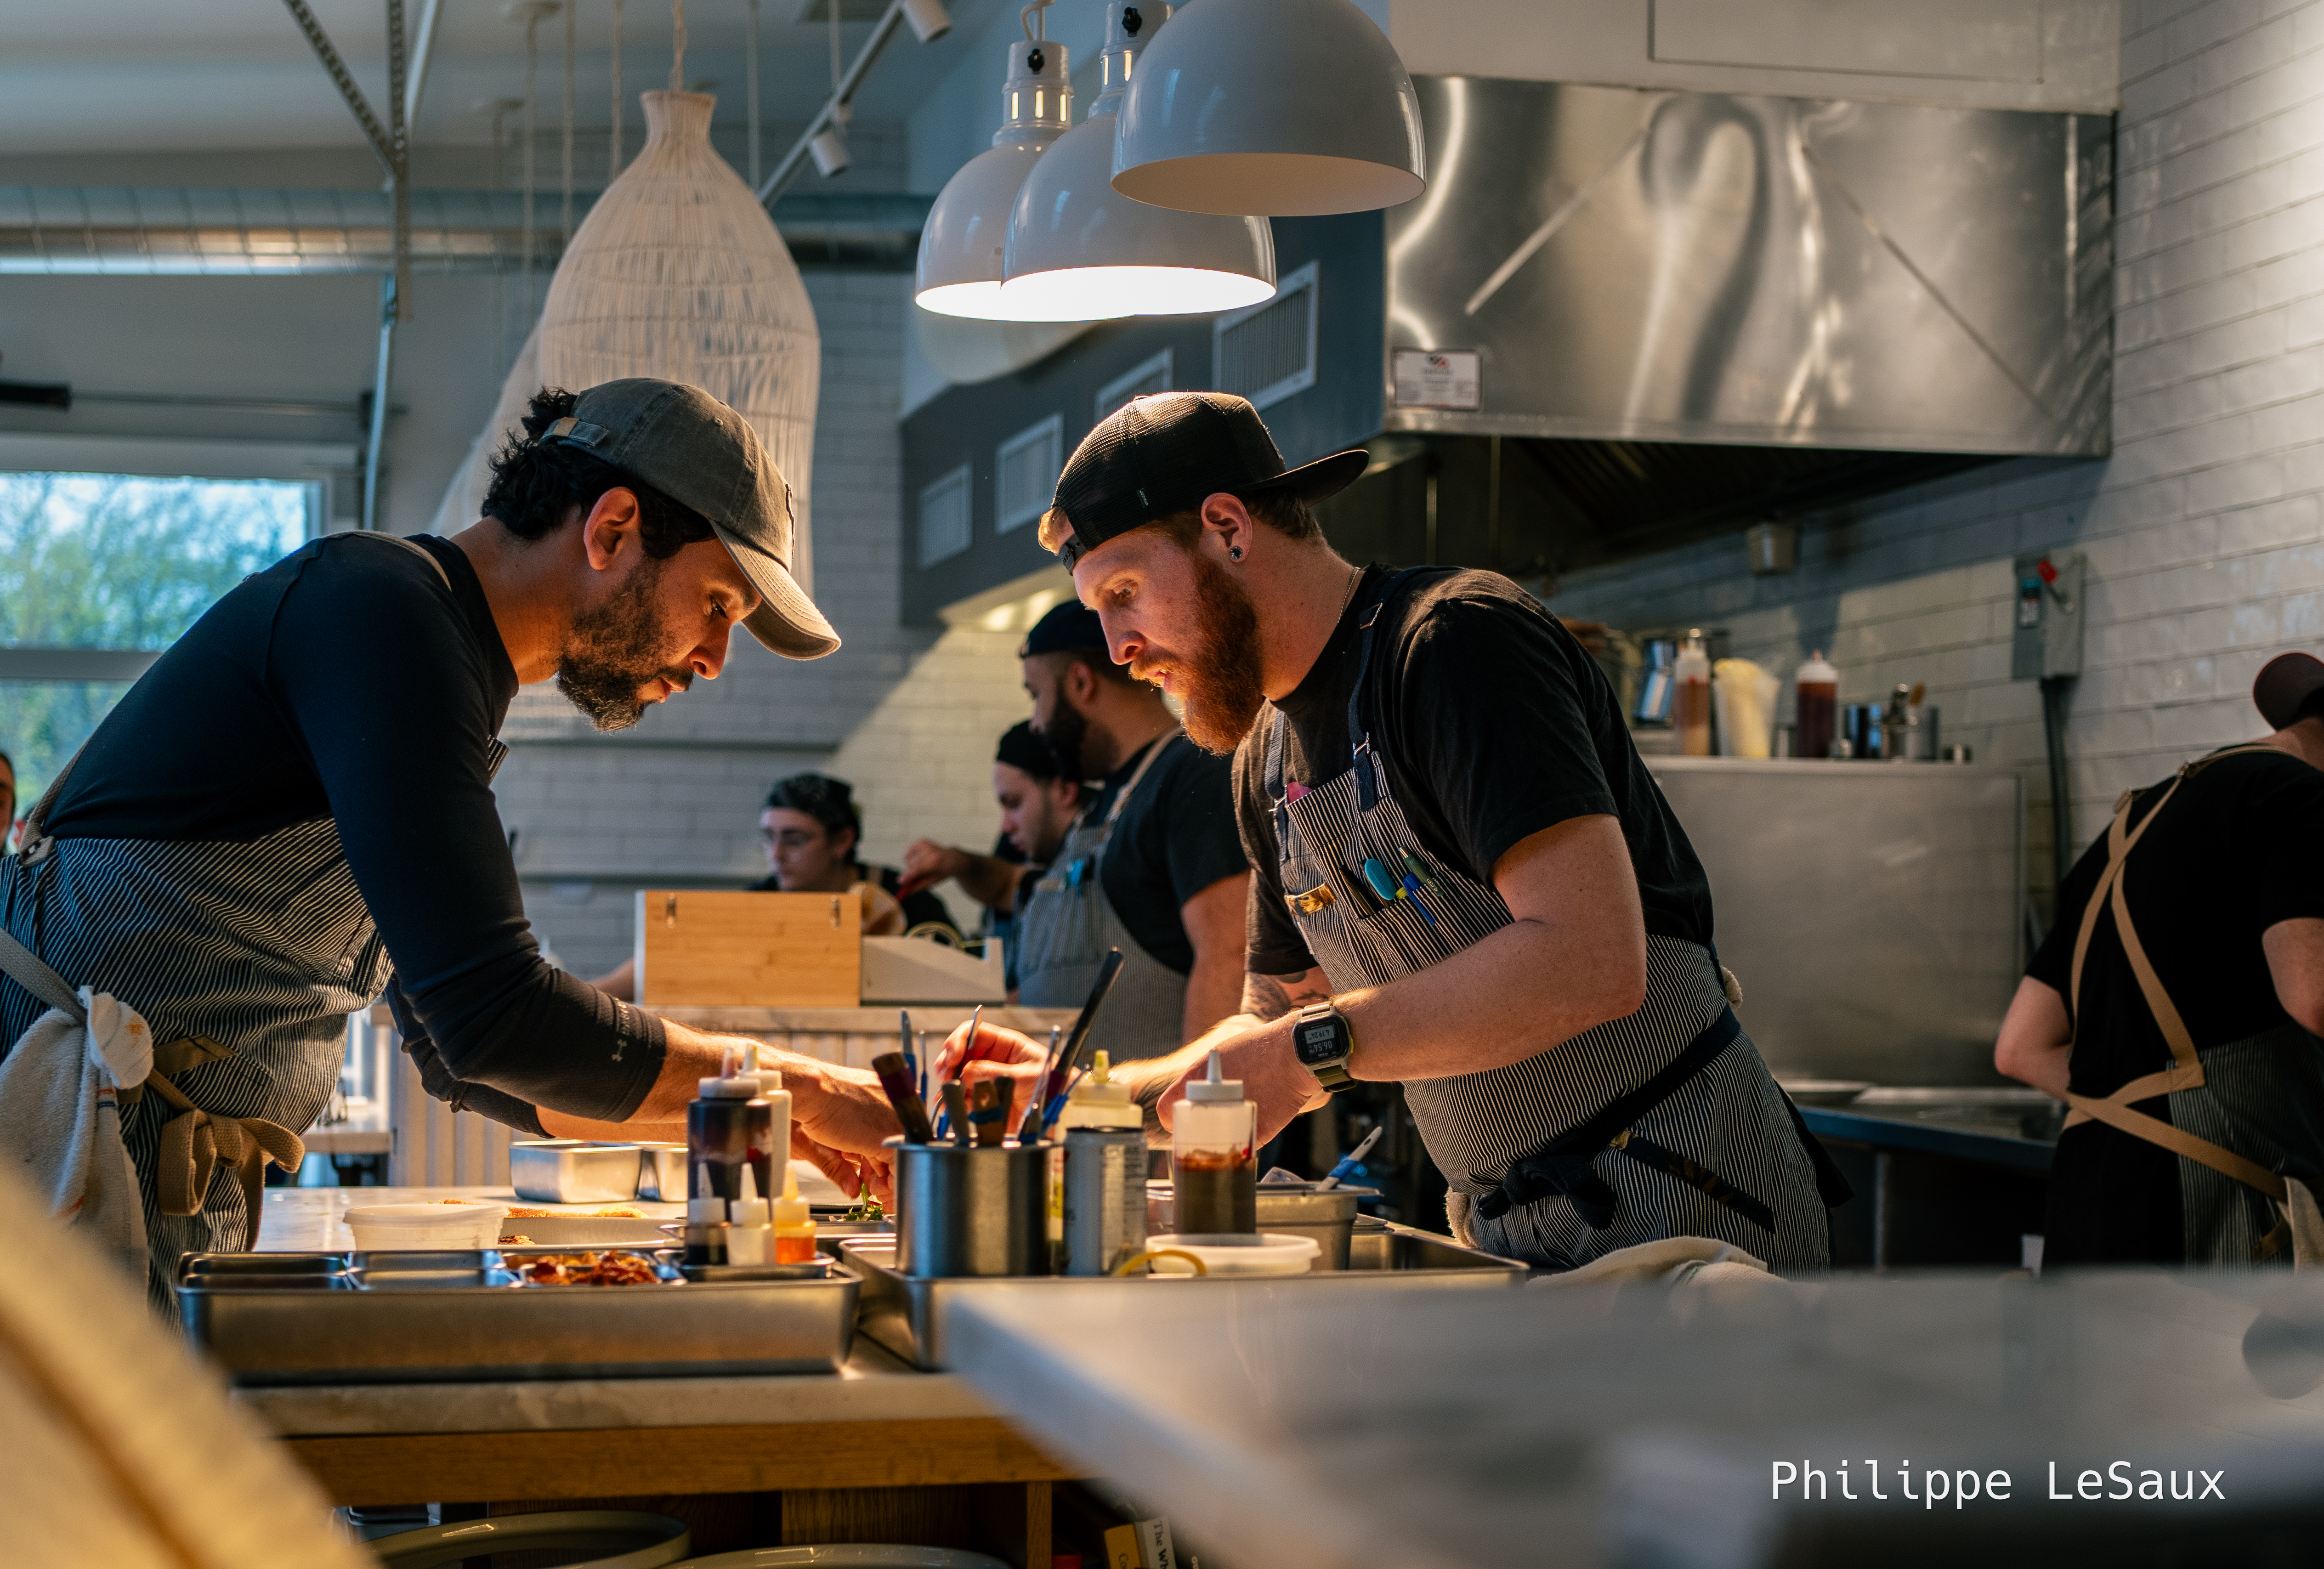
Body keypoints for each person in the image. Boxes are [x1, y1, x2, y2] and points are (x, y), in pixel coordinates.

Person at [0, 380, 905, 1290]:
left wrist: (752, 1119)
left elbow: (459, 1057)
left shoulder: (437, 669)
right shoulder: (380, 614)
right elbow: (496, 1018)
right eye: (719, 603)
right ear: (614, 528)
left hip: (131, 1172)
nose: (713, 659)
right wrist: (809, 1091)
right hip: (48, 1144)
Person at [941, 391, 1844, 1271]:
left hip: (1694, 1222)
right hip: (1514, 1240)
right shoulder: (1266, 760)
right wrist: (1072, 1096)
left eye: (1126, 592)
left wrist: (1309, 1054)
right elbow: (1270, 1027)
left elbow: (1591, 960)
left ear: (1227, 527)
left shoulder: (1452, 645)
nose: (1117, 647)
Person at [1995, 652, 2324, 1267]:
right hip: (2211, 1220)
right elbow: (2312, 994)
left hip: (2084, 1207)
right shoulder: (2301, 799)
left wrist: (2138, 1110)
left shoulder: (2130, 824)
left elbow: (2019, 1046)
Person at [1006, 600, 1250, 1062]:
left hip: (1148, 1125)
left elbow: (1229, 954)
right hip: (1077, 1122)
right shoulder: (1104, 803)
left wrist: (1198, 1114)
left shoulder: (1192, 774)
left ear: (1081, 682)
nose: (1036, 722)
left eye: (1036, 694)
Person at [899, 721, 1084, 994]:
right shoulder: (1026, 847)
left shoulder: (1101, 851)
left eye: (1014, 804)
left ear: (1066, 791)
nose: (1006, 826)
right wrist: (954, 862)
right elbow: (1009, 884)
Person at [754, 773, 960, 939]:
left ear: (842, 841)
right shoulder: (752, 907)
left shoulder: (903, 903)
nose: (776, 854)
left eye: (795, 840)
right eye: (769, 838)